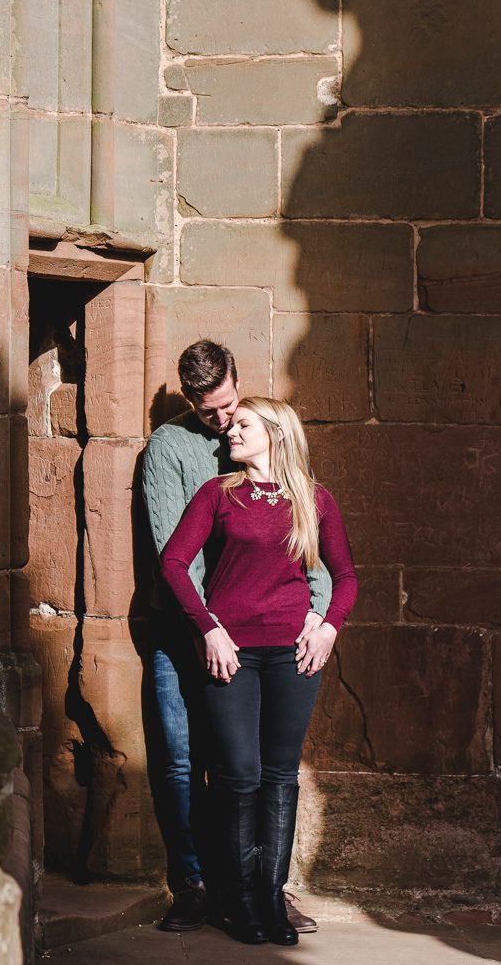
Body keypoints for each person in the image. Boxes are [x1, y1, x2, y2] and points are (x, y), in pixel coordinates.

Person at [138, 341, 331, 934]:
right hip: (186, 628)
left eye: (228, 408)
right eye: (208, 414)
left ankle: (255, 890)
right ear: (190, 403)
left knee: (256, 765)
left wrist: (318, 616)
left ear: (238, 383)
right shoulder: (170, 447)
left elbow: (311, 547)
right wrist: (208, 626)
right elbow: (176, 552)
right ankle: (195, 885)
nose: (222, 424)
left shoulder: (260, 434)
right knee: (179, 759)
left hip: (252, 633)